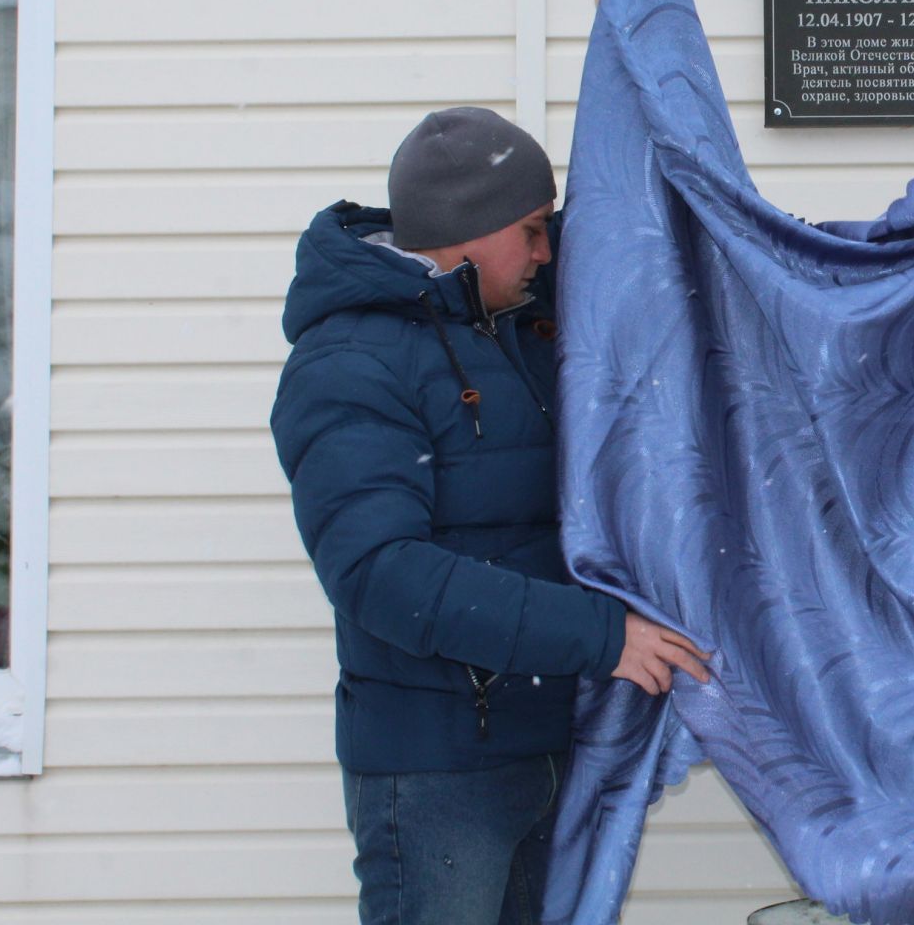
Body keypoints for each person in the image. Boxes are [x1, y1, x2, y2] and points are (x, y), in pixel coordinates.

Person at [271, 106, 710, 925]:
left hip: (553, 745)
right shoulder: (350, 364)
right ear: (464, 231)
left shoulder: (522, 326)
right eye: (533, 230)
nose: (549, 252)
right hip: (438, 775)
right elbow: (380, 574)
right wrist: (602, 636)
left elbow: (646, 240)